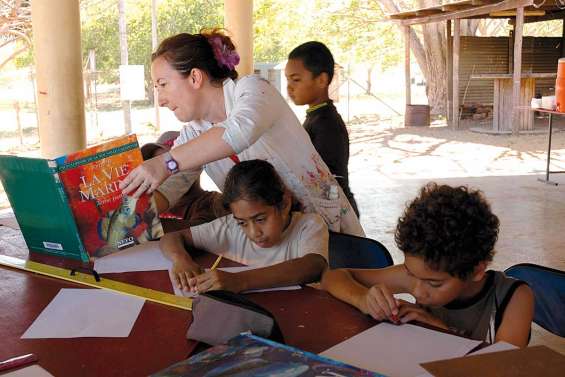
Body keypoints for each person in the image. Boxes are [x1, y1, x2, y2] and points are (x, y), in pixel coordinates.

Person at [119, 29, 364, 237]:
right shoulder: (194, 133)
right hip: (277, 244)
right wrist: (118, 217)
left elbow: (239, 131)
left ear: (195, 77)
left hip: (331, 233)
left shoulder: (253, 90)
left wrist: (166, 162)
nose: (160, 99)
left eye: (162, 85)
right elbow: (169, 189)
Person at [321, 183, 534, 347]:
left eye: (434, 284)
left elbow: (503, 368)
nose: (417, 291)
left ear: (476, 270)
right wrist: (363, 299)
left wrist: (438, 329)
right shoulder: (419, 276)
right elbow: (333, 277)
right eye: (410, 274)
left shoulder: (513, 298)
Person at [160, 159, 328, 294]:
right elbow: (171, 238)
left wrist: (240, 281)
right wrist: (181, 260)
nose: (254, 232)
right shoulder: (230, 227)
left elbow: (313, 265)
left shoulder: (309, 225)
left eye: (261, 219)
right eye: (242, 223)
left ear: (284, 204)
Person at [285, 41, 359, 217]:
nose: (289, 87)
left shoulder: (327, 125)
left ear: (321, 80)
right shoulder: (315, 117)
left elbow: (329, 183)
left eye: (296, 80)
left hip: (337, 216)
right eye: (288, 79)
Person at [140, 131, 227, 231]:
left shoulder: (213, 204)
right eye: (156, 167)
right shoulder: (161, 209)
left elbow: (196, 234)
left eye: (171, 165)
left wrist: (146, 226)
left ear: (194, 167)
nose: (161, 174)